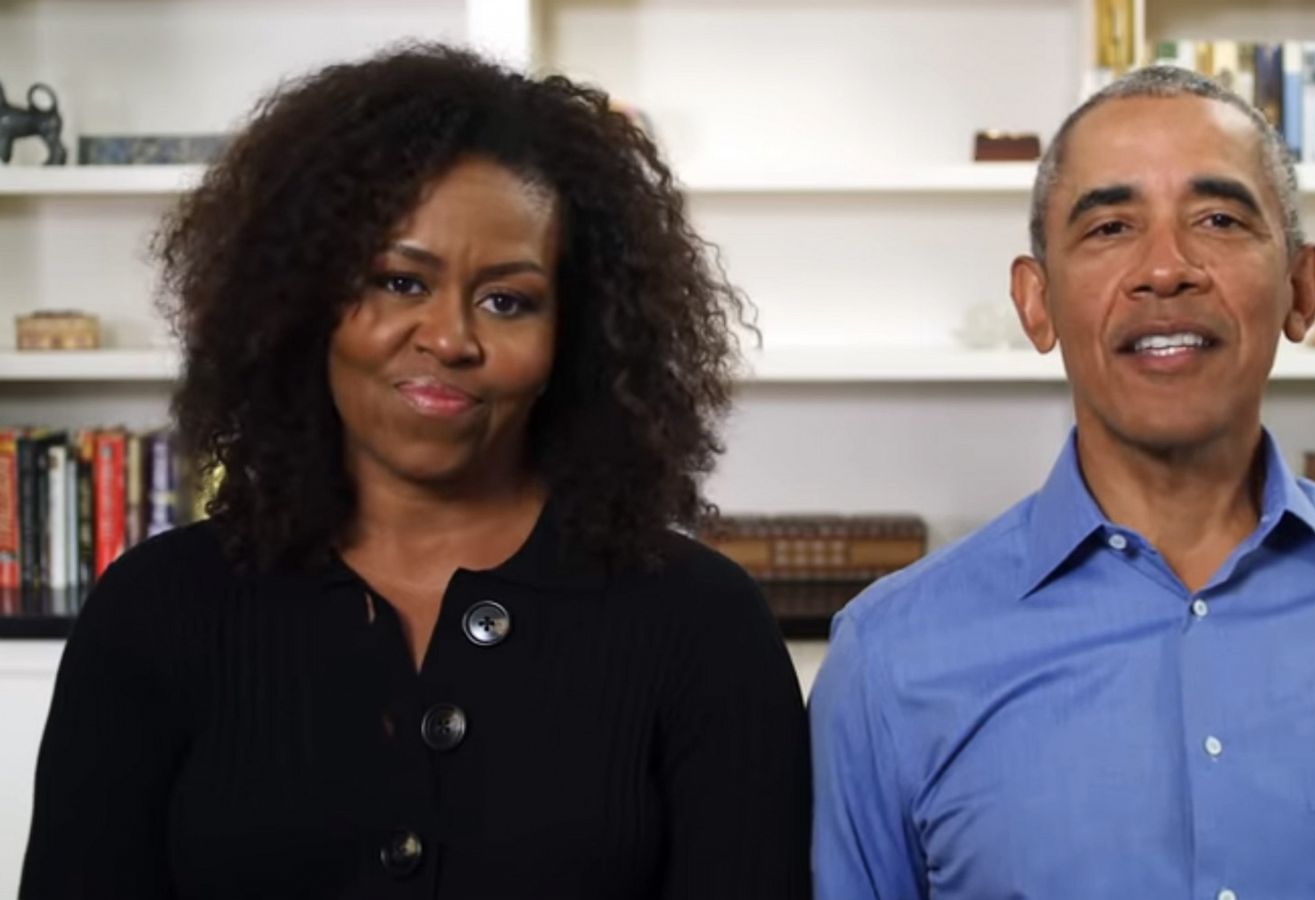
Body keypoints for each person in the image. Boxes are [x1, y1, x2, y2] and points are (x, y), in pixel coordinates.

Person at [22, 45, 810, 899]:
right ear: (300, 303)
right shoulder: (155, 611)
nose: (450, 338)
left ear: (576, 336)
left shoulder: (700, 626)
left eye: (507, 300)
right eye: (399, 281)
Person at [810, 65, 1315, 899]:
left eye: (1218, 219)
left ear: (1304, 288)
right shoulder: (891, 659)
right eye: (1111, 227)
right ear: (1035, 303)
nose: (1167, 269)